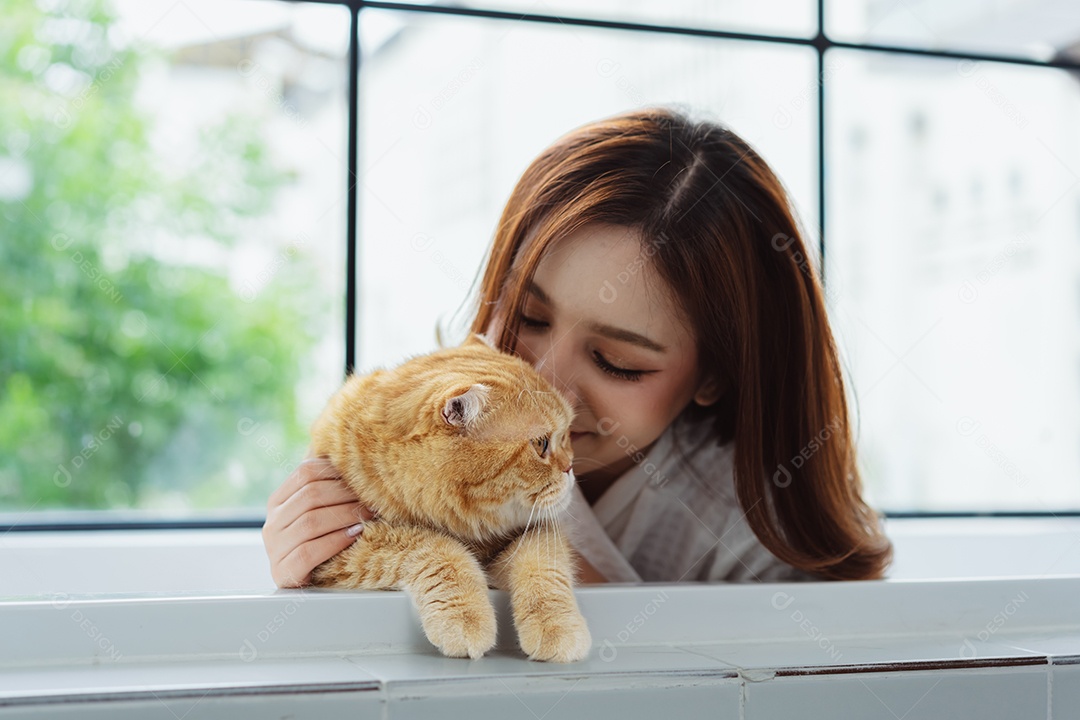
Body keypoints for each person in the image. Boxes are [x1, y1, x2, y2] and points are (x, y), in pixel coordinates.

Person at [261, 106, 893, 589]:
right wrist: (317, 571)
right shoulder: (424, 433)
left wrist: (562, 585)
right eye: (529, 315)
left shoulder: (755, 525)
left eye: (618, 362)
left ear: (716, 376)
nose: (547, 381)